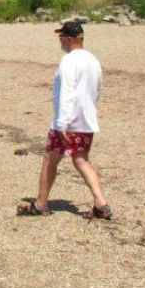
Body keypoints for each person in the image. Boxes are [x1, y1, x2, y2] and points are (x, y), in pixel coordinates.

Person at [17, 21, 112, 219]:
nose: (59, 41)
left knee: (50, 158)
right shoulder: (92, 60)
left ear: (68, 39)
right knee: (81, 159)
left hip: (68, 121)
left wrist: (62, 124)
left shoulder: (69, 60)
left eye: (61, 37)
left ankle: (41, 204)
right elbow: (97, 89)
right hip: (86, 120)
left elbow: (67, 91)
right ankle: (101, 203)